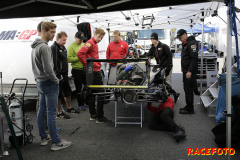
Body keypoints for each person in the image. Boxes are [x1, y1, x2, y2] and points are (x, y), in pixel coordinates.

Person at [31, 22, 71, 151]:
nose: (54, 35)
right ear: (44, 31)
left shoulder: (35, 46)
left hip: (40, 82)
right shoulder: (44, 47)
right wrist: (56, 81)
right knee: (51, 113)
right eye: (52, 32)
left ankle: (43, 138)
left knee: (42, 110)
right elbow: (48, 70)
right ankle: (56, 142)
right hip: (49, 83)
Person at [77, 28, 112, 124]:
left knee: (91, 93)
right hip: (94, 72)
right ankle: (99, 117)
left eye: (101, 37)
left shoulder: (94, 44)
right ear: (95, 34)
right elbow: (80, 53)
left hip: (92, 71)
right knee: (100, 94)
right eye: (99, 36)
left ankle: (93, 115)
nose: (100, 39)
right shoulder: (90, 43)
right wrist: (88, 64)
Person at [51, 31, 80, 119]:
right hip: (58, 75)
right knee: (58, 94)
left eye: (65, 40)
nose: (65, 42)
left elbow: (65, 60)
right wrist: (57, 75)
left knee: (68, 91)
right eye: (63, 40)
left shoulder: (63, 47)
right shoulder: (53, 48)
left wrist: (66, 73)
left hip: (65, 73)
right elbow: (54, 62)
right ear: (58, 39)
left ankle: (69, 108)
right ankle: (58, 112)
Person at [147, 32, 180, 103]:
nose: (151, 40)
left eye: (153, 39)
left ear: (156, 39)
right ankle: (174, 94)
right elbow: (148, 55)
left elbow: (169, 56)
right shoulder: (153, 47)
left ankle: (169, 99)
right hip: (160, 67)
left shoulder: (163, 46)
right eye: (151, 39)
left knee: (167, 82)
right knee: (162, 82)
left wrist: (169, 66)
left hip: (167, 66)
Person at [176, 29, 198, 114]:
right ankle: (188, 105)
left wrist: (189, 71)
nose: (180, 39)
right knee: (186, 89)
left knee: (188, 89)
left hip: (190, 72)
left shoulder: (192, 44)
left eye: (180, 37)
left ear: (185, 34)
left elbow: (194, 58)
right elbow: (185, 58)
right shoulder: (186, 43)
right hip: (186, 70)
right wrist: (183, 68)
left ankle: (190, 109)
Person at [67, 31, 86, 111]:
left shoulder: (83, 45)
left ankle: (87, 101)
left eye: (82, 39)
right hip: (76, 70)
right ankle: (80, 104)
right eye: (79, 39)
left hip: (84, 69)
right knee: (78, 88)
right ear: (75, 38)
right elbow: (69, 59)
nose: (81, 41)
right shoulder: (71, 47)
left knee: (87, 85)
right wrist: (79, 57)